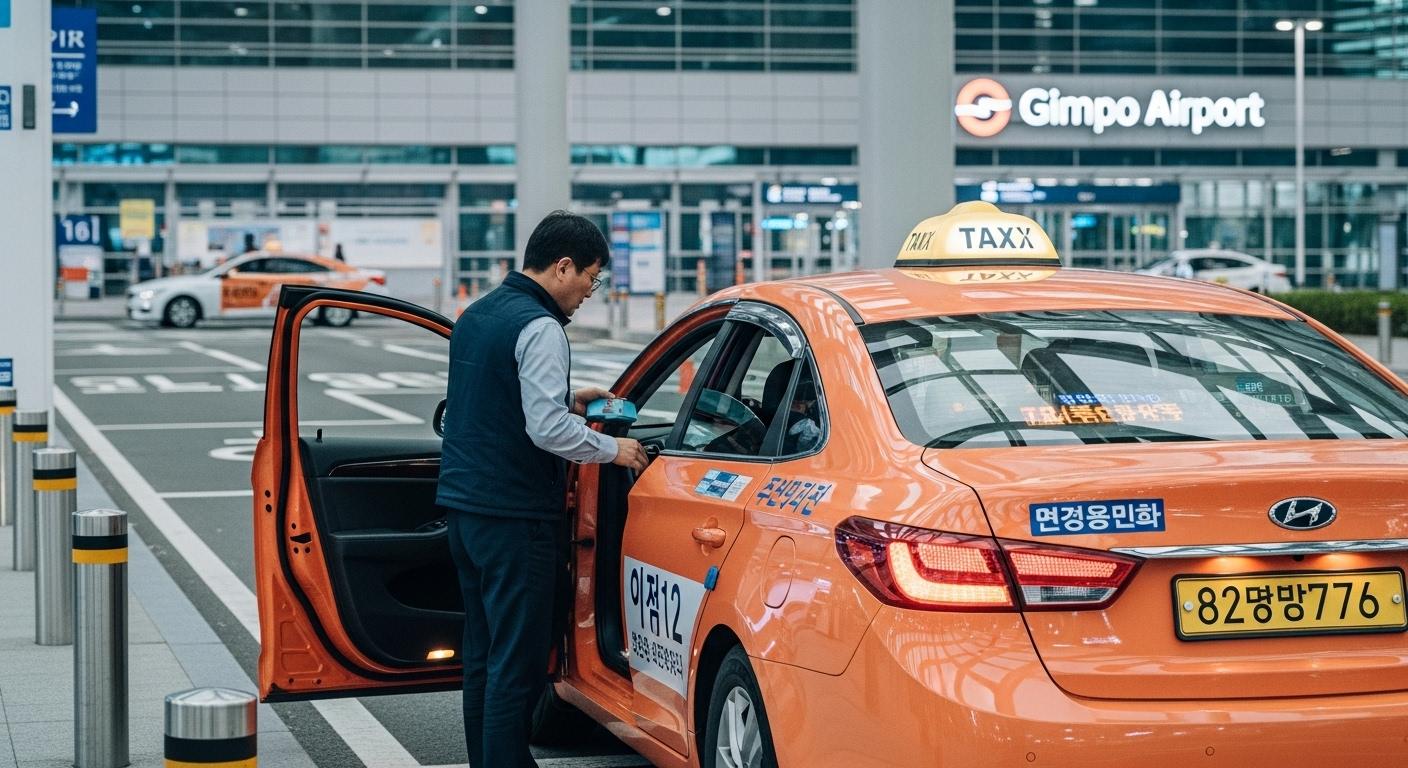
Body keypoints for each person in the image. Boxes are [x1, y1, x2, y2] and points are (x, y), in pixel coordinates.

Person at [435, 210, 648, 767]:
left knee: (482, 654)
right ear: (562, 266)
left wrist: (569, 397)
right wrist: (613, 449)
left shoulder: (477, 314)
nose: (588, 293)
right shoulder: (541, 327)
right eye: (591, 278)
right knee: (518, 661)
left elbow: (497, 397)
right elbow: (546, 430)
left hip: (464, 511)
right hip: (514, 517)